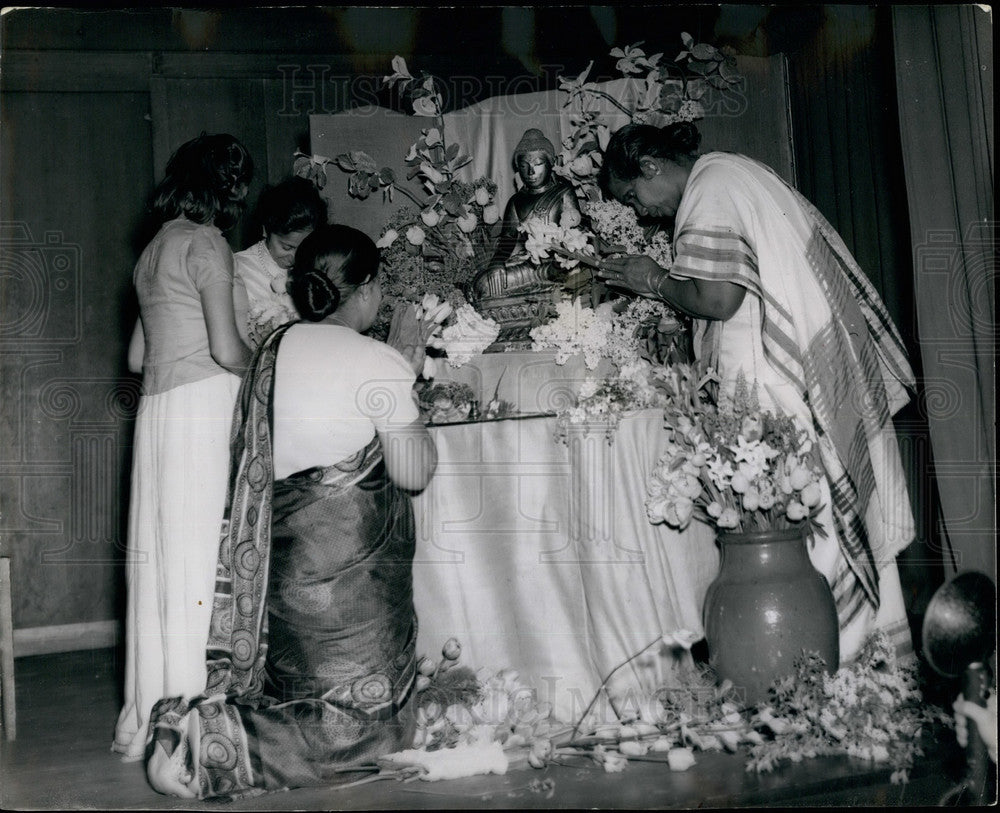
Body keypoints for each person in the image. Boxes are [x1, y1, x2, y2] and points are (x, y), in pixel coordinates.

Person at [596, 122, 917, 664]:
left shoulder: (709, 187)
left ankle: (835, 668)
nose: (639, 211)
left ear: (649, 166)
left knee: (808, 522)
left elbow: (719, 299)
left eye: (632, 195)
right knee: (824, 517)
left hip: (777, 378)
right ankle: (870, 664)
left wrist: (652, 279)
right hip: (807, 367)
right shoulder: (735, 169)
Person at [145, 224, 438, 799]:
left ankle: (207, 723)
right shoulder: (373, 357)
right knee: (371, 737)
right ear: (368, 288)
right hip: (345, 592)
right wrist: (404, 373)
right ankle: (203, 745)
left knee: (309, 700)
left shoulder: (270, 353)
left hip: (282, 590)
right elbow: (412, 472)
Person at [113, 133, 254, 762]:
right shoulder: (206, 243)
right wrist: (276, 366)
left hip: (157, 413)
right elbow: (228, 350)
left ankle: (144, 716)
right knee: (203, 561)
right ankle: (195, 721)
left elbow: (138, 356)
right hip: (203, 406)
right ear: (229, 187)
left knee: (159, 563)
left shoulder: (151, 252)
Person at [472, 128, 583, 301]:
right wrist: (497, 262)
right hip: (531, 265)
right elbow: (508, 240)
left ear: (550, 163)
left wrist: (565, 252)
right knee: (484, 283)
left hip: (559, 263)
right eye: (524, 166)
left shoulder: (563, 192)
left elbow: (579, 229)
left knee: (569, 272)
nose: (531, 172)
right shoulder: (516, 201)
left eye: (538, 164)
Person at [233, 176, 327, 348]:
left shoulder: (318, 265)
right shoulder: (239, 268)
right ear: (265, 230)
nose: (295, 257)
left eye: (303, 247)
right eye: (287, 247)